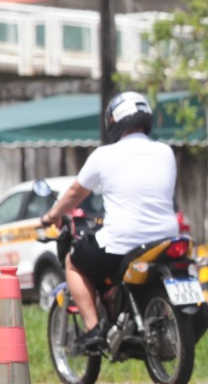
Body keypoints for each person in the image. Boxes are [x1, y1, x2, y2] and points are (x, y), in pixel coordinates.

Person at [40, 91, 179, 353]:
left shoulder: (104, 155)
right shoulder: (166, 152)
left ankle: (93, 330)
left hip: (124, 241)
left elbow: (74, 194)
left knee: (74, 262)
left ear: (114, 121)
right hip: (166, 238)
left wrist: (52, 215)